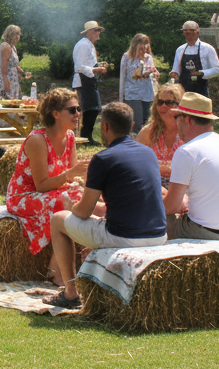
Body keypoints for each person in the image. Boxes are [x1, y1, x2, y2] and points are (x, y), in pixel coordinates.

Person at [46, 102, 168, 309]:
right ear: (132, 126)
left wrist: (70, 206)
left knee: (59, 219)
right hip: (159, 235)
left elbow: (83, 212)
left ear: (104, 127)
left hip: (123, 237)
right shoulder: (148, 154)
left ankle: (70, 292)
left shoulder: (102, 159)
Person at [4, 88, 89, 283]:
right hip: (24, 196)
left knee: (88, 199)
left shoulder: (69, 137)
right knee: (66, 203)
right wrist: (69, 175)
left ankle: (76, 262)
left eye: (79, 109)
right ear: (56, 114)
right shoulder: (37, 140)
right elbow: (41, 186)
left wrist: (82, 177)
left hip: (56, 191)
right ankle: (58, 272)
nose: (78, 114)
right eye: (72, 110)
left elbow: (71, 176)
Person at [163, 93, 219, 240]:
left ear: (187, 120)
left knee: (157, 216)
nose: (176, 124)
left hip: (209, 232)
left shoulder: (187, 151)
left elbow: (171, 207)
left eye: (177, 118)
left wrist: (154, 201)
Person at [135, 82, 185, 184]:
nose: (163, 106)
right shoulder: (148, 131)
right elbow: (134, 160)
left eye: (169, 102)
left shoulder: (188, 132)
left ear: (180, 104)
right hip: (153, 185)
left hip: (183, 187)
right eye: (160, 102)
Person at [71, 20, 108, 144]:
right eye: (97, 30)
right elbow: (80, 67)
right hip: (83, 81)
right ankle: (86, 137)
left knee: (92, 108)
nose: (99, 33)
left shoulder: (87, 44)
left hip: (87, 79)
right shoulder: (84, 45)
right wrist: (97, 69)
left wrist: (97, 65)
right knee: (91, 108)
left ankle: (86, 137)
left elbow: (87, 64)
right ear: (90, 32)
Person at [168, 21, 219, 97]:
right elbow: (176, 70)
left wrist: (201, 73)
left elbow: (217, 69)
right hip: (183, 91)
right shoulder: (180, 49)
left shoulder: (208, 48)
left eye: (192, 30)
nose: (188, 32)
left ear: (197, 31)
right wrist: (174, 74)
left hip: (201, 90)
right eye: (185, 30)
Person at [118, 33, 158, 133]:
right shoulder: (126, 57)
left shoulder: (148, 57)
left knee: (147, 121)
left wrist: (153, 73)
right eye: (141, 47)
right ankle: (136, 141)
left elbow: (153, 73)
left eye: (145, 46)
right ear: (135, 45)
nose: (143, 50)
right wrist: (121, 97)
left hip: (147, 93)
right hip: (133, 93)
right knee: (137, 121)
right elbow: (122, 76)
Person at [0, 24, 31, 100]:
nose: (18, 37)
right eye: (16, 34)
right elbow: (3, 65)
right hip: (3, 78)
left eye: (19, 34)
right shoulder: (5, 46)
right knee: (3, 103)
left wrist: (23, 74)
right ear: (10, 35)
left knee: (13, 104)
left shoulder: (13, 48)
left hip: (13, 80)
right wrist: (6, 81)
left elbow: (15, 65)